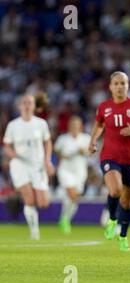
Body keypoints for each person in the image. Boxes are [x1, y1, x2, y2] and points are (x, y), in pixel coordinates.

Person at [89, 71, 130, 252]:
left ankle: (123, 236)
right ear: (110, 87)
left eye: (122, 83)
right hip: (109, 156)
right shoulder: (103, 107)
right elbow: (99, 124)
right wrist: (93, 140)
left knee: (127, 202)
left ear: (128, 86)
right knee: (115, 190)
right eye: (116, 83)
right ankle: (111, 219)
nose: (119, 86)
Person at [3, 94, 55, 240]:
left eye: (29, 103)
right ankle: (34, 231)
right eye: (24, 102)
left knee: (43, 203)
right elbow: (7, 145)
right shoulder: (13, 125)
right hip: (20, 164)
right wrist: (12, 155)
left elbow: (48, 142)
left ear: (34, 106)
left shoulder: (41, 123)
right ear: (20, 105)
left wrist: (47, 160)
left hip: (37, 165)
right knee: (30, 200)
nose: (26, 105)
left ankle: (18, 195)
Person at [54, 115, 91, 234]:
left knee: (74, 199)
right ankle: (65, 220)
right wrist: (63, 155)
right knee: (72, 195)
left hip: (80, 172)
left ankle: (64, 219)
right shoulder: (63, 138)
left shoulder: (86, 138)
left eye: (77, 125)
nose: (75, 127)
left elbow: (91, 152)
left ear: (81, 126)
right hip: (65, 171)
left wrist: (84, 151)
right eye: (73, 125)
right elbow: (57, 152)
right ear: (69, 126)